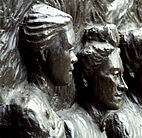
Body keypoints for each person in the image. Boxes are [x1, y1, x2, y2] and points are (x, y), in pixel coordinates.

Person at [0, 2, 77, 137]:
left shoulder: (45, 107)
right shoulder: (31, 111)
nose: (74, 57)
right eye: (68, 49)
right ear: (44, 54)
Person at [58, 24, 128, 138]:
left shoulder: (108, 129)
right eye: (115, 75)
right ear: (86, 77)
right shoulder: (71, 127)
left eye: (122, 75)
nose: (123, 86)